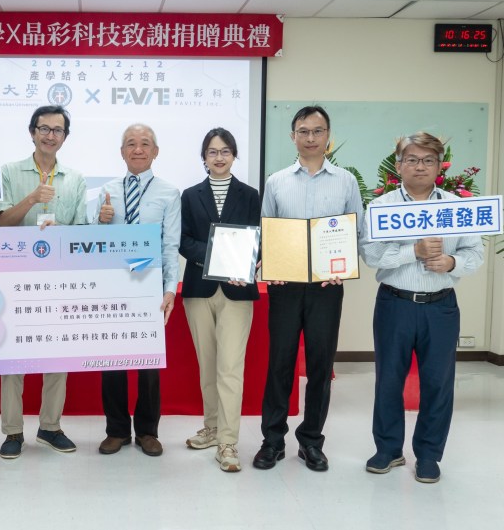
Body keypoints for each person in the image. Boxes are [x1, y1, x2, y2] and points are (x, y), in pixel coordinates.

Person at [361, 132, 482, 484]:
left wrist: (452, 262)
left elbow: (475, 252)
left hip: (440, 307)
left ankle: (429, 455)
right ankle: (388, 449)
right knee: (388, 380)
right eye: (412, 159)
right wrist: (412, 251)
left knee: (438, 383)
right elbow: (370, 255)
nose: (420, 166)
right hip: (394, 303)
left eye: (428, 160)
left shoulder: (457, 208)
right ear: (398, 165)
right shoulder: (381, 207)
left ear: (440, 166)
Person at [253, 106, 363, 472]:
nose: (311, 137)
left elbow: (356, 232)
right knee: (280, 364)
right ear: (293, 136)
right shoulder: (277, 181)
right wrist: (269, 264)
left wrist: (344, 267)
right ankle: (272, 441)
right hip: (285, 286)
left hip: (326, 288)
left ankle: (311, 441)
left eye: (318, 131)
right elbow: (266, 231)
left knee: (320, 365)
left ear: (328, 135)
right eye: (304, 131)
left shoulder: (345, 181)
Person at [0, 105, 87, 459]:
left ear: (65, 137)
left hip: (59, 278)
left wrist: (61, 231)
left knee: (57, 354)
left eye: (57, 130)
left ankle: (50, 426)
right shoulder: (8, 171)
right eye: (44, 128)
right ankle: (12, 431)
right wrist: (32, 198)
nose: (50, 135)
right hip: (14, 277)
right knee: (13, 358)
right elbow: (2, 222)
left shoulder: (75, 179)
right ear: (32, 132)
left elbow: (81, 233)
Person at [95, 123, 180, 457]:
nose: (138, 149)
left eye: (145, 143)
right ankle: (116, 429)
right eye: (131, 143)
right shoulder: (107, 191)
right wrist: (100, 222)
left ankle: (147, 431)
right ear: (122, 152)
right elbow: (92, 243)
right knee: (111, 361)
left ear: (155, 151)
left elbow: (170, 245)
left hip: (149, 285)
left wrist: (170, 289)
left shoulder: (169, 193)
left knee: (148, 364)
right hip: (112, 285)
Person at [180, 128, 260, 472]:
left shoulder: (251, 195)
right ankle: (211, 428)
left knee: (230, 367)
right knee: (208, 365)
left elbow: (258, 238)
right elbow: (183, 240)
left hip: (238, 291)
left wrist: (245, 261)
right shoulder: (189, 195)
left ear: (234, 155)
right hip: (199, 290)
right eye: (212, 152)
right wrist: (218, 257)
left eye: (225, 151)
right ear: (204, 157)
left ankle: (228, 442)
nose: (219, 157)